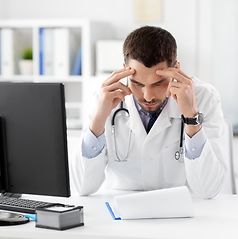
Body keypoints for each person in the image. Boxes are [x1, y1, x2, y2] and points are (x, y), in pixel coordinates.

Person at [70, 26, 227, 199]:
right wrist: (99, 119)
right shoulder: (105, 99)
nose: (148, 96)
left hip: (181, 214)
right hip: (122, 214)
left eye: (158, 84)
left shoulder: (204, 97)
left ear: (176, 69)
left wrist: (191, 117)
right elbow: (82, 187)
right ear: (125, 69)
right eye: (137, 83)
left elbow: (208, 190)